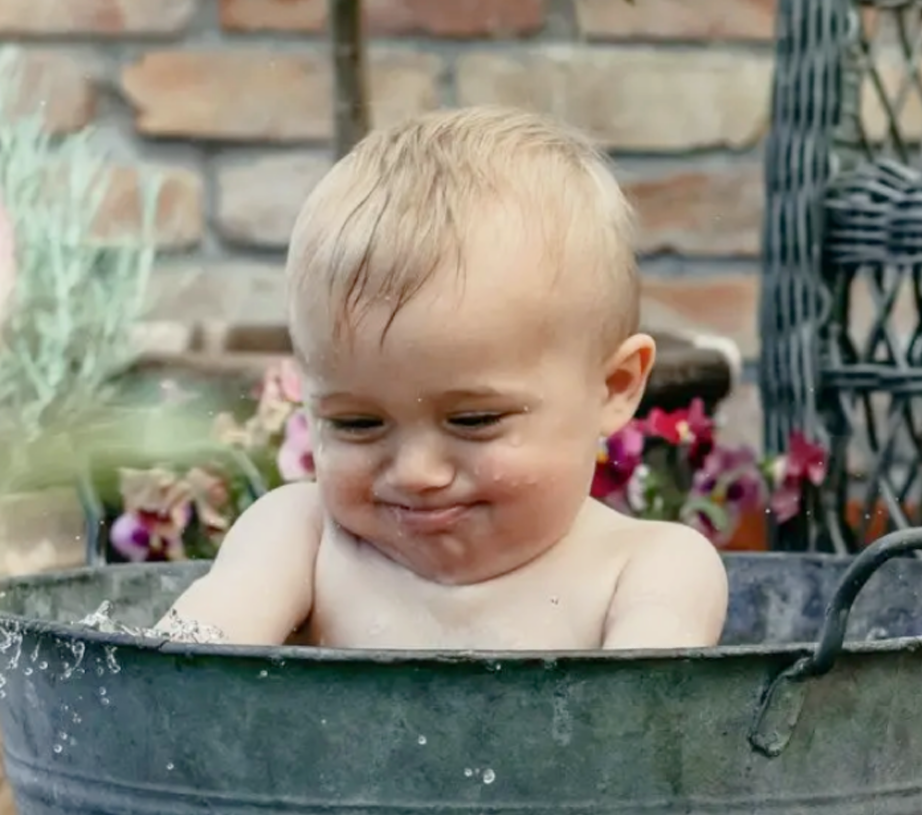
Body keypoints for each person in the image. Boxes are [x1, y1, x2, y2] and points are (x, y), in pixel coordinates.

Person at [157, 106, 729, 652]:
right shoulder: (300, 539)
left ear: (614, 387)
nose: (416, 473)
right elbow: (175, 677)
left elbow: (649, 712)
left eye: (474, 420)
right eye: (356, 423)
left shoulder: (649, 570)